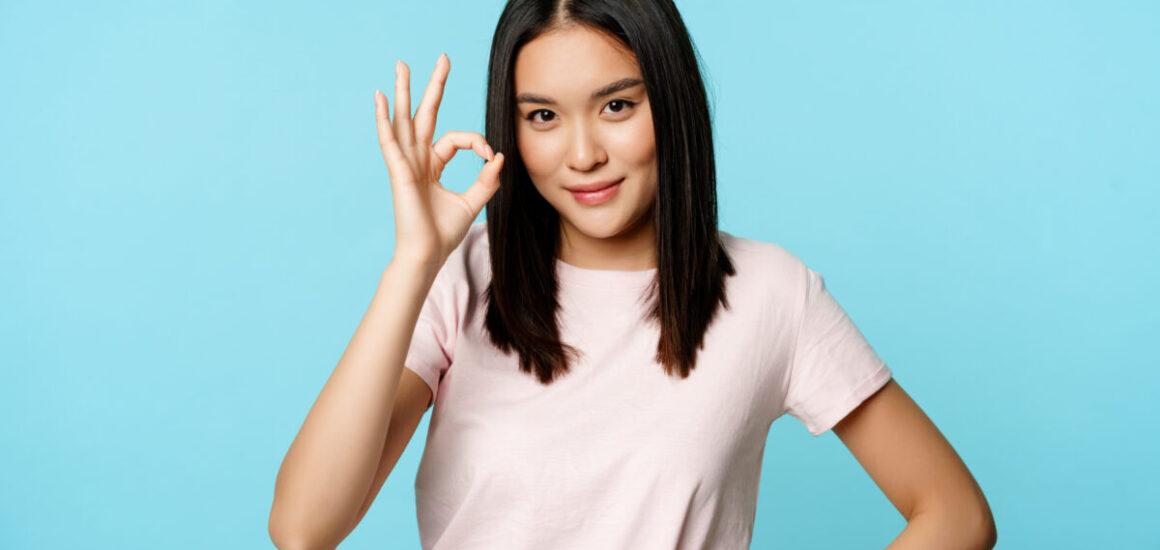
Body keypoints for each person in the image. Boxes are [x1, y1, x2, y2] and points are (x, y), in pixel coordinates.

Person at [269, 1, 997, 548]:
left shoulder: (772, 294)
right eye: (543, 116)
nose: (582, 153)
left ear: (671, 103)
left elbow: (955, 514)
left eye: (616, 105)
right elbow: (303, 527)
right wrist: (411, 264)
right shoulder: (463, 276)